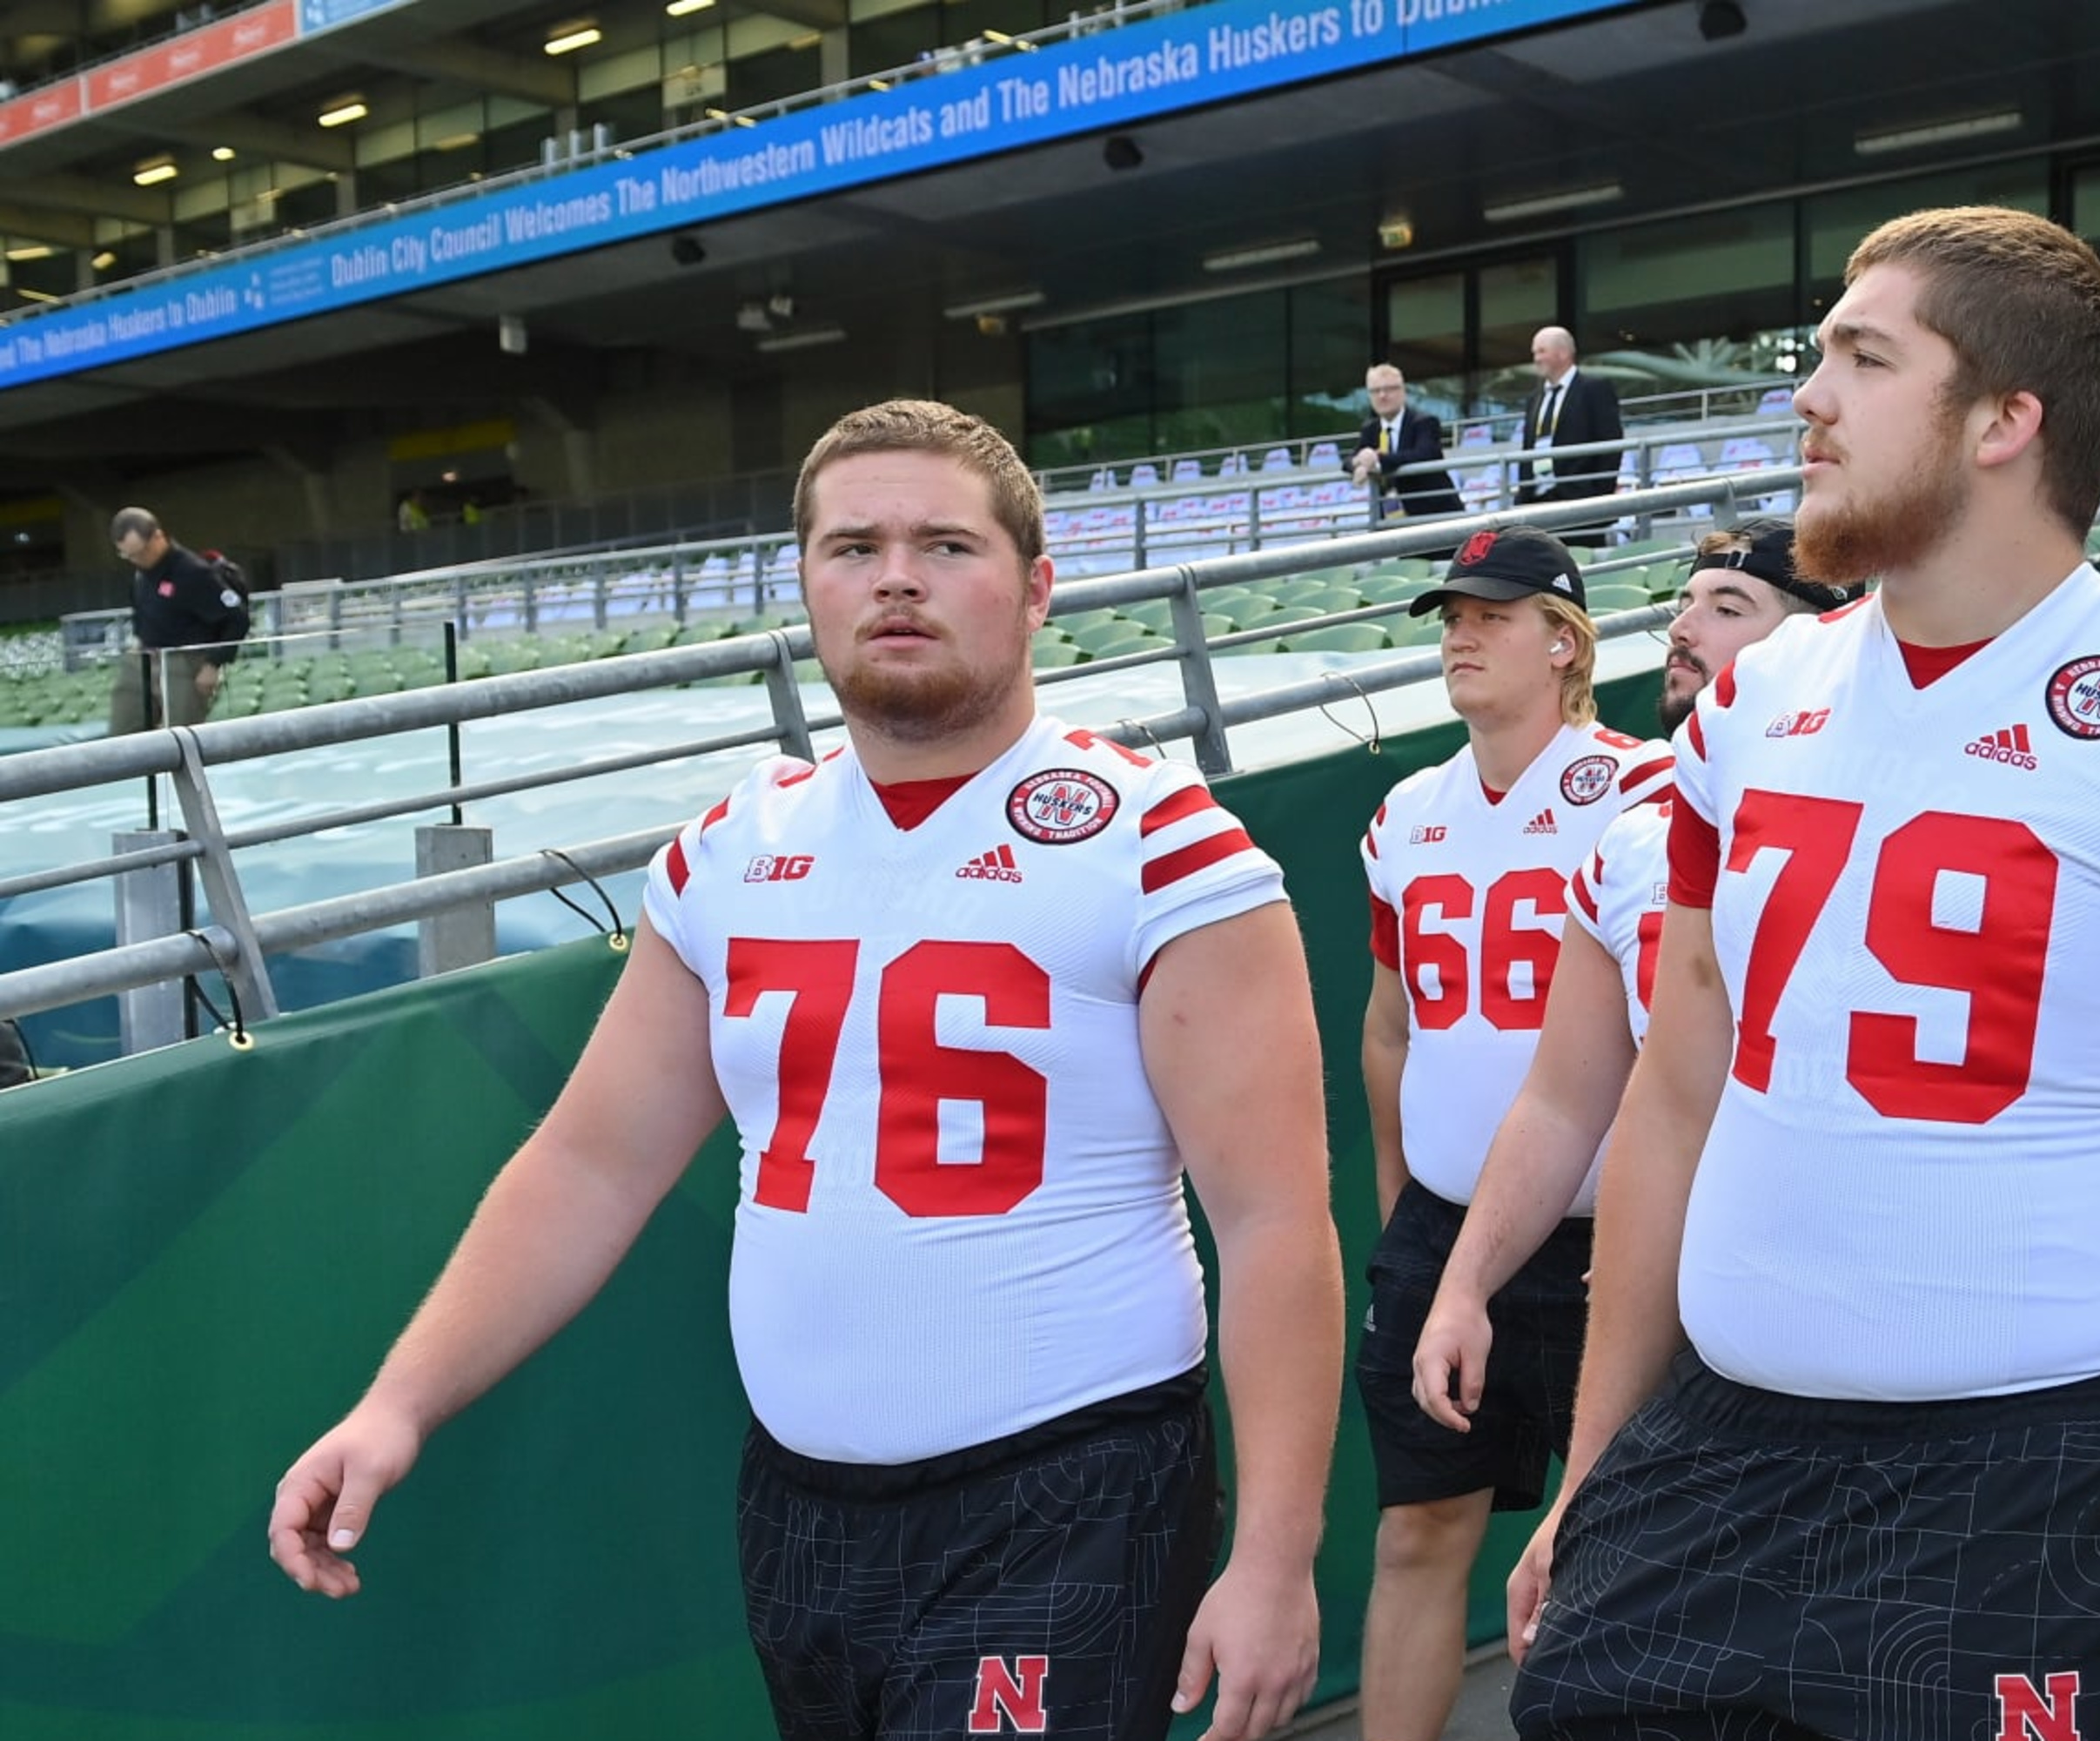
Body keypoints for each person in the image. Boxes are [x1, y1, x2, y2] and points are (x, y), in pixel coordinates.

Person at [268, 399, 1344, 1741]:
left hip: (1071, 1492)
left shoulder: (1161, 845)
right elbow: (592, 1163)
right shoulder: (730, 849)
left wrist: (1277, 1558)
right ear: (807, 588)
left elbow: (1274, 1221)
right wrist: (396, 1404)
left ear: (1038, 590)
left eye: (946, 544)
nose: (895, 575)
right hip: (801, 1504)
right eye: (854, 547)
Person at [1507, 205, 2100, 1741]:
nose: (1809, 398)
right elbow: (1677, 1098)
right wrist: (1594, 1474)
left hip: (2041, 1481)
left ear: (2004, 420)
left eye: (1863, 358)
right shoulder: (1748, 708)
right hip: (1724, 1447)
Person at [1403, 516, 1843, 1472]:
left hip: (1822, 1302)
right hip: (1668, 1281)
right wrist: (1462, 1283)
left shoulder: (1870, 824)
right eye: (1683, 602)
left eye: (1727, 606)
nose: (1683, 626)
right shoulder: (1631, 845)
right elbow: (1566, 1101)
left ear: (1822, 638)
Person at [1352, 521, 1674, 1741]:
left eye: (1491, 613)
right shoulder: (1405, 814)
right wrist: (1399, 1215)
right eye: (1450, 616)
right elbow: (1389, 1029)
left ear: (1565, 641)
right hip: (1449, 1232)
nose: (1461, 635)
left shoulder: (1646, 790)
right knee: (1418, 1530)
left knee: (1621, 1546)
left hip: (1609, 1233)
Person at [107, 508, 247, 736]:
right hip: (144, 657)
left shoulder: (193, 572)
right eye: (127, 555)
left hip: (184, 660)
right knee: (122, 734)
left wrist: (214, 664)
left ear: (157, 537)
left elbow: (237, 619)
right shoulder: (141, 574)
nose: (135, 560)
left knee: (180, 740)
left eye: (139, 552)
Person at [1513, 326, 1623, 548]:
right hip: (1537, 502)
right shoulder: (1534, 398)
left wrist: (1598, 497)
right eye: (1535, 352)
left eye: (1541, 351)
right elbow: (1529, 448)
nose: (1536, 359)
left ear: (1563, 353)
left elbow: (1611, 443)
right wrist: (1524, 495)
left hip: (1580, 501)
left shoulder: (1594, 388)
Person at [1353, 364, 1464, 520]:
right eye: (1375, 391)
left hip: (1435, 515)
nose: (1382, 395)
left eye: (1389, 389)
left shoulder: (1425, 422)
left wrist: (1377, 462)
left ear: (1402, 391)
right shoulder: (1370, 429)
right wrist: (1360, 462)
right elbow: (1349, 461)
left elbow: (1423, 454)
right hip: (1389, 521)